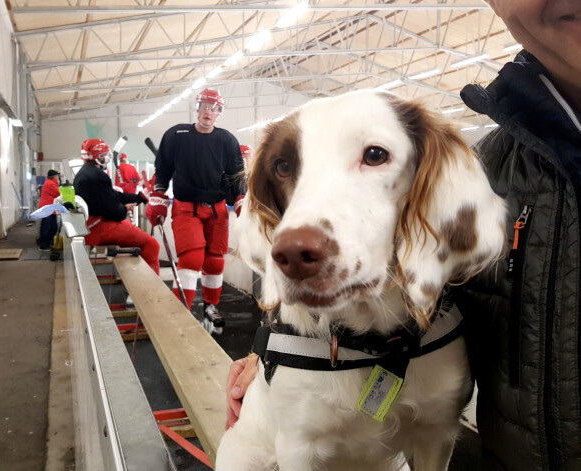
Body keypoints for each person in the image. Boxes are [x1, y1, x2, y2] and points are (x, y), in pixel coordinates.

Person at [226, 1, 581, 469]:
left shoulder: (468, 179)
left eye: (374, 155)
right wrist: (266, 344)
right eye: (286, 167)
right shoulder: (499, 165)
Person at [146, 88, 245, 332]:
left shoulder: (227, 140)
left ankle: (211, 305)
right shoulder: (176, 134)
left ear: (220, 112)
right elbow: (164, 167)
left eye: (214, 108)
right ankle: (181, 310)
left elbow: (235, 175)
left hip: (217, 208)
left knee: (214, 261)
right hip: (186, 206)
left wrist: (241, 198)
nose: (208, 112)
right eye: (205, 106)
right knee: (191, 258)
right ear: (197, 107)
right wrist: (158, 193)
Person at [74, 138, 160, 275]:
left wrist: (140, 197)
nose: (107, 159)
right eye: (104, 156)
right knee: (152, 244)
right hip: (99, 228)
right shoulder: (98, 176)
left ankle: (136, 286)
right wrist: (125, 209)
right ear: (97, 157)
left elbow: (113, 196)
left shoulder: (83, 174)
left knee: (134, 232)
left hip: (91, 225)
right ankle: (151, 290)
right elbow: (115, 212)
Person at [37, 169, 61, 251]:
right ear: (54, 177)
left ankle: (46, 242)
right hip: (47, 208)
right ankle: (43, 244)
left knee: (52, 227)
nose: (58, 177)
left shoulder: (51, 183)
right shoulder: (50, 184)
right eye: (57, 176)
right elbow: (58, 194)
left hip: (49, 208)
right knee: (47, 227)